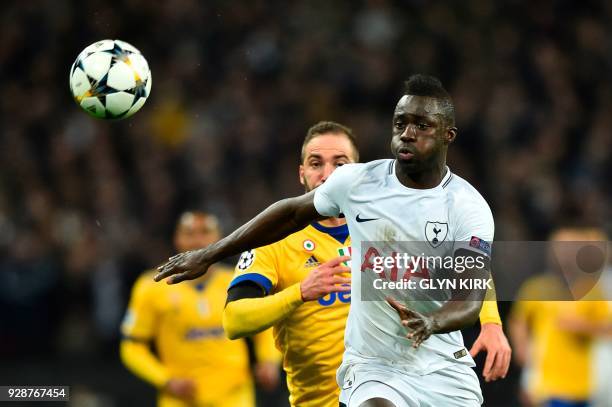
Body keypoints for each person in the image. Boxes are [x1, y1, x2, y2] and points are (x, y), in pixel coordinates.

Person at [156, 74, 500, 406]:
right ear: (301, 171)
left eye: (421, 126)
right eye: (399, 124)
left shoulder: (468, 208)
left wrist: (466, 323)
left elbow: (470, 289)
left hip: (443, 368)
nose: (407, 134)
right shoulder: (356, 186)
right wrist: (210, 254)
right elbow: (289, 215)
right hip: (373, 368)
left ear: (448, 135)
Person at [222, 121, 511, 407]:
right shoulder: (276, 242)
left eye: (339, 164)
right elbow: (234, 320)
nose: (327, 175)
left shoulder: (387, 224)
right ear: (301, 174)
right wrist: (298, 293)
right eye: (315, 164)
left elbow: (468, 261)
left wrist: (491, 323)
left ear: (355, 173)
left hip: (399, 387)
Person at [121, 211, 280, 407]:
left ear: (219, 239)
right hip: (180, 399)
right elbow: (132, 346)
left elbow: (266, 328)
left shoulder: (239, 279)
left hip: (234, 395)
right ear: (176, 238)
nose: (197, 240)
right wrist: (165, 380)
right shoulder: (152, 286)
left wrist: (269, 362)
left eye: (205, 232)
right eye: (189, 233)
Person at [509, 226, 611, 407]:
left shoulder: (592, 290)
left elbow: (608, 328)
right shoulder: (537, 287)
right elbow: (518, 320)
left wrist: (583, 326)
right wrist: (521, 346)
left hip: (584, 386)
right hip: (545, 386)